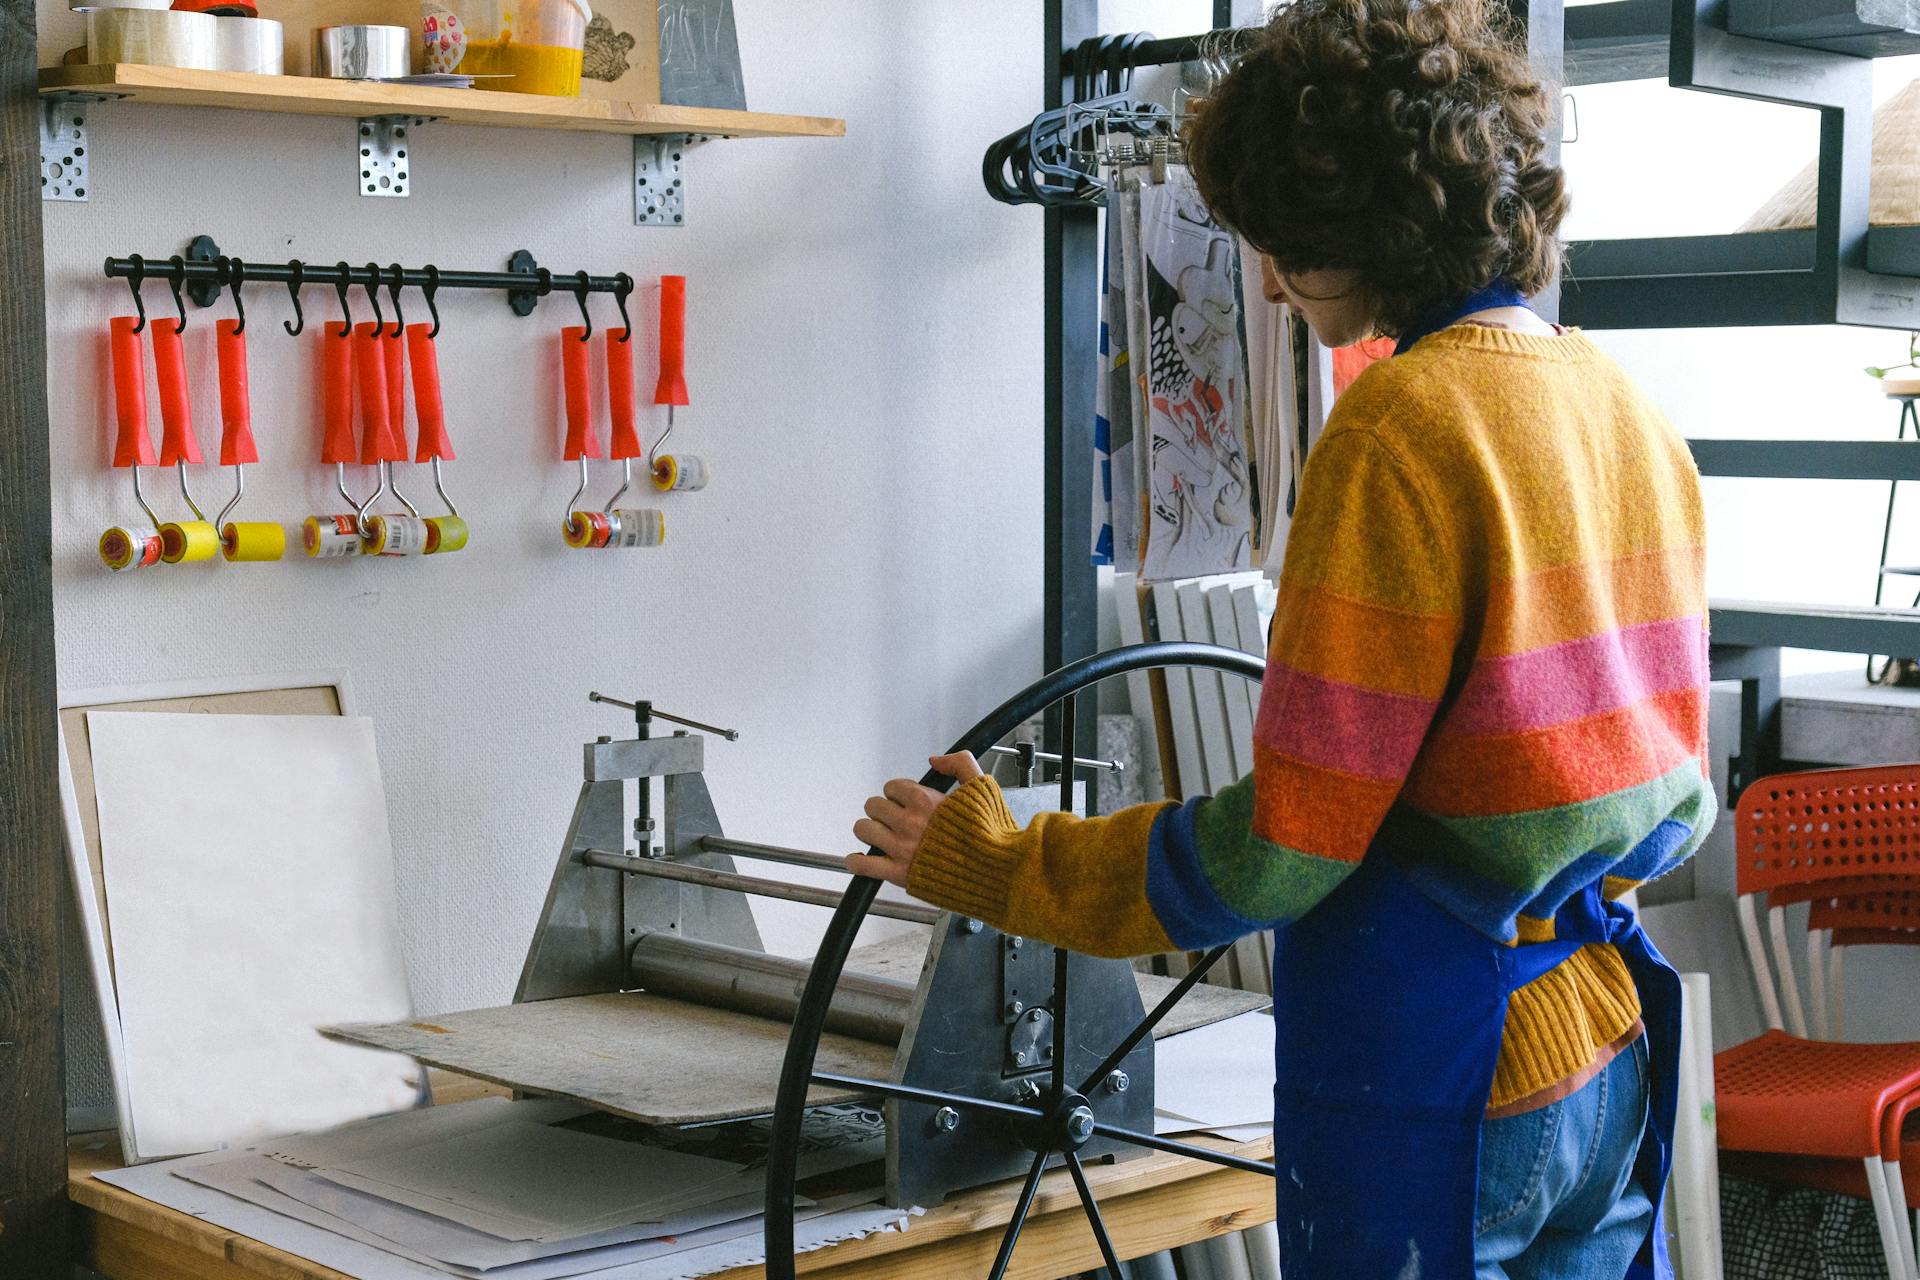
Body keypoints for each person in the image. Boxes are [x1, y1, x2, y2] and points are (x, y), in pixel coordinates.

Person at [848, 0, 1712, 1275]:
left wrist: (1007, 862)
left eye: (1282, 243)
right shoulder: (1624, 405)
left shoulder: (1401, 424)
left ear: (1364, 224)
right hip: (1604, 1051)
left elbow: (1288, 846)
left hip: (1447, 1064)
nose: (1262, 276)